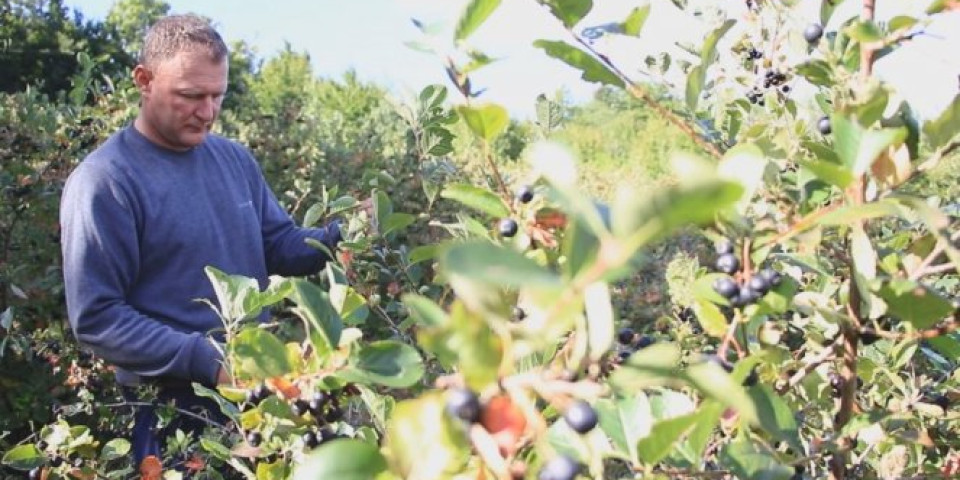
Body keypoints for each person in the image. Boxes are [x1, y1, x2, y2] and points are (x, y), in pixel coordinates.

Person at [59, 14, 344, 467]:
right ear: (144, 80)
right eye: (191, 96)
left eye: (218, 96)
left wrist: (340, 237)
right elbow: (96, 316)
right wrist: (206, 358)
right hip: (171, 408)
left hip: (253, 396)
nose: (208, 112)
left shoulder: (234, 160)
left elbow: (279, 244)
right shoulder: (105, 181)